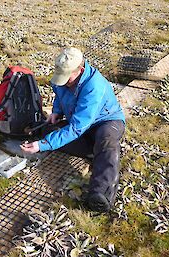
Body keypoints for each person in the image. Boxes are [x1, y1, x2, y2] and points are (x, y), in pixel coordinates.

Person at [20, 47, 125, 213]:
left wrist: (41, 146)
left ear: (81, 70)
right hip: (78, 120)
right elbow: (59, 95)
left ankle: (101, 194)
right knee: (48, 131)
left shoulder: (94, 87)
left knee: (107, 141)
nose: (64, 81)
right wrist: (56, 112)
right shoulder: (64, 78)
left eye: (67, 77)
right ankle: (96, 151)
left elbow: (76, 127)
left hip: (106, 121)